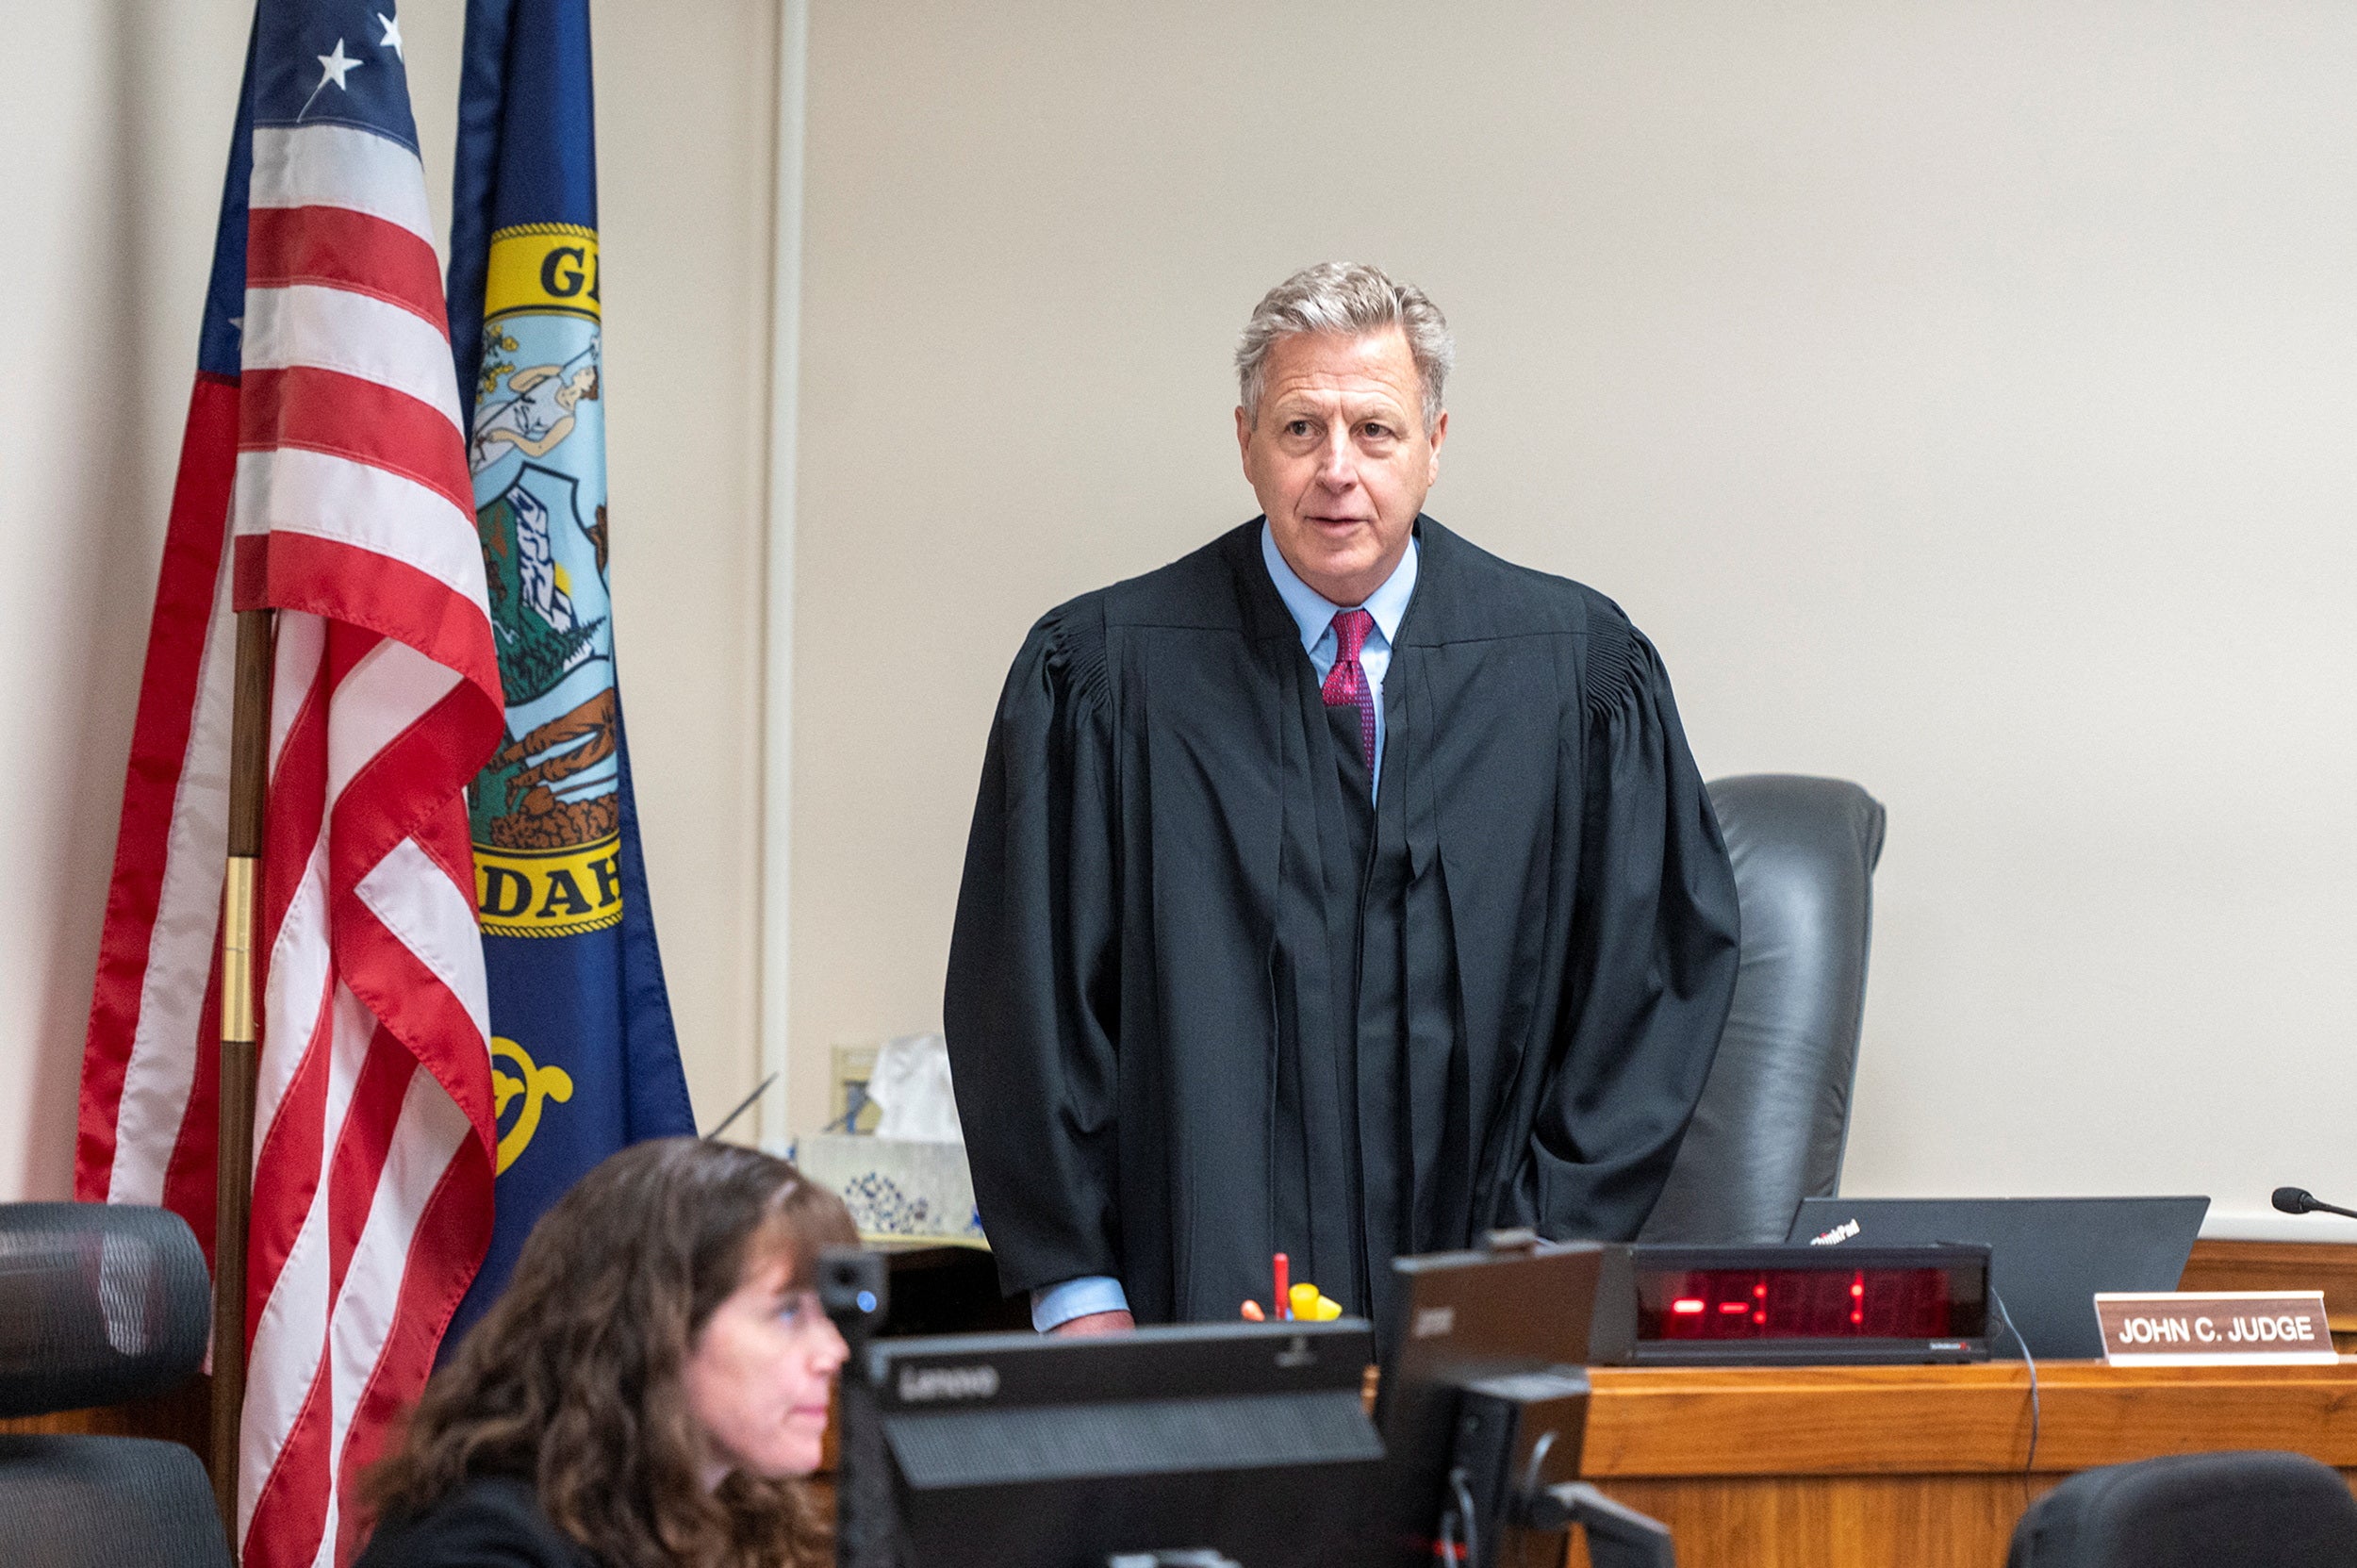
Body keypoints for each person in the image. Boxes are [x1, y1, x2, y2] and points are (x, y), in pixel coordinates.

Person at [944, 261, 1742, 1345]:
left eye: (1374, 430)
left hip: (1490, 1303)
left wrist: (1548, 1254)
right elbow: (1023, 1006)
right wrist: (1080, 1295)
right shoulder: (1101, 677)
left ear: (1435, 442)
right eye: (1299, 428)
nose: (1337, 472)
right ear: (1243, 442)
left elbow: (1645, 994)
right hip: (1183, 1309)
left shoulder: (1575, 675)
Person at [355, 1138, 855, 1568]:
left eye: (827, 1316)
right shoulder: (483, 1542)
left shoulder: (728, 1511)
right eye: (788, 1314)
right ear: (656, 1326)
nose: (834, 1352)